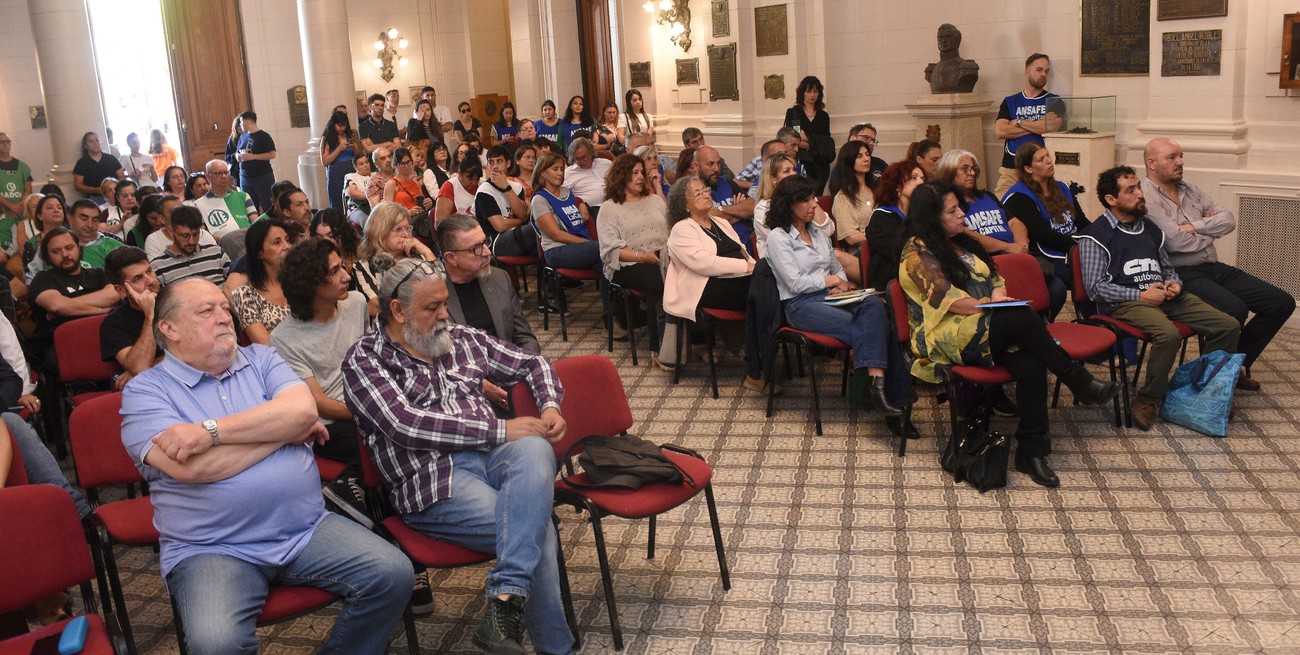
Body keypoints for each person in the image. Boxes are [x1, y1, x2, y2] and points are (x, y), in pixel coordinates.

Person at [119, 278, 412, 655]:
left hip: (305, 528)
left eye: (224, 307)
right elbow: (193, 469)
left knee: (393, 574)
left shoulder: (261, 359)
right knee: (216, 644)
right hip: (213, 547)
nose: (224, 317)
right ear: (169, 329)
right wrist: (284, 433)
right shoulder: (145, 392)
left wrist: (211, 432)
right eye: (206, 311)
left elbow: (304, 411)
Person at [341, 259, 574, 655]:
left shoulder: (461, 339)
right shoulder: (365, 359)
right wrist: (500, 430)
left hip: (494, 458)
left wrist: (549, 405)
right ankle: (555, 646)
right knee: (539, 530)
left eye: (445, 303)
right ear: (397, 310)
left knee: (535, 444)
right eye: (432, 308)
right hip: (435, 480)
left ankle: (504, 602)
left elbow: (533, 362)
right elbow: (405, 425)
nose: (444, 315)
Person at [900, 181, 1119, 487]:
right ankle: (1078, 380)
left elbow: (994, 277)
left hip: (985, 327)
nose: (963, 214)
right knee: (1021, 318)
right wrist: (994, 306)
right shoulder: (915, 255)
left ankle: (1032, 451)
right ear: (932, 218)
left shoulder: (962, 243)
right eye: (953, 211)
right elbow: (951, 301)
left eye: (960, 207)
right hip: (947, 335)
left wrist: (999, 297)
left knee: (1031, 362)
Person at [1078, 166, 1242, 431]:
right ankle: (1148, 398)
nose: (1139, 194)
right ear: (1111, 199)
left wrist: (1173, 283)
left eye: (1138, 187)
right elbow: (1095, 288)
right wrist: (1140, 295)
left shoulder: (1149, 228)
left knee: (1227, 325)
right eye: (1130, 190)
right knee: (1169, 334)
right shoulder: (1095, 236)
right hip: (1125, 302)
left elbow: (1166, 266)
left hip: (1164, 294)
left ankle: (1205, 392)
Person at [1141, 138, 1294, 388]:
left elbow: (1229, 219)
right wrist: (1209, 229)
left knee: (1280, 303)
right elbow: (1175, 243)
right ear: (1152, 163)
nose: (1180, 162)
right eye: (1172, 157)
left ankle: (1230, 366)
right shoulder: (1146, 197)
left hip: (1212, 265)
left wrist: (1194, 227)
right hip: (1181, 272)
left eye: (1181, 156)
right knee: (1234, 310)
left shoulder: (1190, 189)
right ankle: (1213, 382)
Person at [766, 175, 909, 429]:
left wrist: (841, 284)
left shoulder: (818, 233)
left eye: (814, 198)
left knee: (875, 305)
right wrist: (829, 280)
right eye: (807, 200)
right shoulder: (779, 238)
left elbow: (836, 266)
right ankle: (895, 402)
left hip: (832, 296)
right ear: (789, 205)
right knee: (877, 327)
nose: (814, 204)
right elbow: (794, 283)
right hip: (800, 305)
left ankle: (877, 387)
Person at [269, 237, 369, 524]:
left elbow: (369, 361)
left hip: (365, 404)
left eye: (342, 266)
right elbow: (320, 404)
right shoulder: (284, 338)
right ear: (313, 284)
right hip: (329, 426)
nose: (346, 276)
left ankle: (349, 491)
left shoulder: (356, 304)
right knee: (382, 442)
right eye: (335, 271)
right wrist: (373, 410)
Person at [659, 176, 755, 371]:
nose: (705, 195)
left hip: (735, 281)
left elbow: (744, 251)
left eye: (705, 190)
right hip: (705, 286)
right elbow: (704, 264)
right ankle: (757, 358)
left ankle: (758, 355)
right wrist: (747, 268)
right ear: (684, 204)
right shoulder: (682, 228)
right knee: (763, 293)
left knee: (765, 289)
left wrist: (754, 266)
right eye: (697, 193)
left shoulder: (722, 223)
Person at [1001, 142, 1089, 319]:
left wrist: (1096, 238)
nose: (1049, 161)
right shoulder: (1018, 197)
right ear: (1028, 168)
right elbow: (1043, 235)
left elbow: (1082, 222)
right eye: (1041, 159)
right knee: (1088, 276)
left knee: (1100, 267)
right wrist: (1079, 245)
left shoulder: (1062, 187)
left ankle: (1095, 321)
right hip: (1044, 255)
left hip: (1070, 247)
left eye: (1048, 156)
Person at [438, 214, 539, 352]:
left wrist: (529, 364)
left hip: (508, 365)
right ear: (451, 258)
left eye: (485, 242)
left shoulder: (499, 278)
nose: (487, 252)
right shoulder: (432, 295)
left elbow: (524, 337)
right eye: (476, 248)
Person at [597, 154, 669, 345]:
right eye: (634, 172)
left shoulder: (654, 200)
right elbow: (611, 250)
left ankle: (696, 341)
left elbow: (672, 226)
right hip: (628, 263)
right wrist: (643, 257)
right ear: (621, 175)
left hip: (663, 256)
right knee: (659, 281)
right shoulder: (610, 208)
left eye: (641, 173)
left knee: (692, 276)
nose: (640, 177)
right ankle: (660, 347)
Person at [533, 150, 606, 313]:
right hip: (556, 250)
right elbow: (556, 234)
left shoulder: (566, 192)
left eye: (561, 169)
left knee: (608, 266)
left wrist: (581, 204)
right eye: (555, 169)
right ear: (543, 172)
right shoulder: (540, 199)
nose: (560, 173)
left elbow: (577, 201)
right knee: (606, 249)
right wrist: (591, 244)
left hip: (580, 248)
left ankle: (615, 317)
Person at [993, 54, 1062, 199]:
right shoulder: (1010, 101)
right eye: (1039, 70)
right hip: (1011, 169)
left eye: (1047, 71)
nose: (1043, 74)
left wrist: (1018, 122)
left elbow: (1051, 127)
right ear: (1027, 72)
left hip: (1040, 171)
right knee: (1003, 209)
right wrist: (1037, 125)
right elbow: (1000, 131)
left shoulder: (1054, 100)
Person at [936, 149, 1029, 256]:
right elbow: (968, 235)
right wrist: (1008, 247)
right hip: (985, 260)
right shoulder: (951, 205)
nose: (972, 173)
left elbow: (1014, 222)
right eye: (965, 168)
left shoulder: (988, 196)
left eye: (973, 168)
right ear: (949, 172)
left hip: (1015, 253)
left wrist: (1022, 247)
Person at [353, 202, 438, 316]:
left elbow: (440, 288)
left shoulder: (416, 255)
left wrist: (426, 251)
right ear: (380, 232)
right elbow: (376, 306)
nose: (405, 234)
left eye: (407, 228)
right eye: (398, 229)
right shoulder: (364, 265)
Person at [754, 153, 837, 263]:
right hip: (782, 264)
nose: (793, 174)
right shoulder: (763, 208)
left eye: (794, 169)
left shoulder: (805, 199)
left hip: (813, 256)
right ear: (773, 179)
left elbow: (828, 230)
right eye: (787, 171)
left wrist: (807, 198)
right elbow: (787, 243)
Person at [864, 160, 925, 292]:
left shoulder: (919, 215)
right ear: (897, 186)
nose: (921, 182)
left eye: (922, 178)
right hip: (890, 285)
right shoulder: (881, 218)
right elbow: (905, 251)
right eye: (913, 178)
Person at [101, 247, 163, 376]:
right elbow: (140, 368)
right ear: (121, 290)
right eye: (138, 278)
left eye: (149, 271)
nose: (151, 281)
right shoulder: (113, 324)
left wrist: (154, 365)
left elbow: (203, 350)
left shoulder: (177, 301)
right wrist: (150, 315)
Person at [231, 218, 294, 344]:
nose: (287, 246)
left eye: (287, 240)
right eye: (277, 242)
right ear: (259, 253)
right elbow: (265, 344)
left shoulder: (302, 281)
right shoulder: (245, 295)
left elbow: (319, 326)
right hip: (276, 361)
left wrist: (274, 333)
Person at [695, 145, 755, 252]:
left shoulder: (727, 183)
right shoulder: (692, 192)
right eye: (710, 164)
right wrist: (740, 212)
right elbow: (705, 220)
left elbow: (751, 207)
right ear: (696, 166)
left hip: (748, 244)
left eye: (718, 163)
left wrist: (721, 210)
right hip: (724, 250)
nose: (716, 169)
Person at [150, 206, 230, 286]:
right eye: (185, 235)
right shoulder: (158, 267)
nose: (191, 241)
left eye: (196, 234)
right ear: (171, 231)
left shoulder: (216, 253)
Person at [474, 146, 531, 258]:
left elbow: (521, 213)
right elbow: (500, 226)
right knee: (537, 229)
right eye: (491, 162)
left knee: (543, 236)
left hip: (517, 234)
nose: (495, 166)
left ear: (508, 163)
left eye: (499, 161)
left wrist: (506, 187)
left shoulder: (517, 187)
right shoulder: (484, 191)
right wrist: (522, 220)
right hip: (496, 241)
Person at [783, 75, 835, 191]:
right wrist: (813, 142)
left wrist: (807, 139)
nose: (812, 95)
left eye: (815, 91)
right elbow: (793, 138)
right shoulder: (794, 113)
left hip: (820, 164)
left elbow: (825, 141)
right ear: (802, 93)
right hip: (800, 160)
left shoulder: (823, 116)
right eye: (809, 91)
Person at [828, 140, 878, 251]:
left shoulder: (877, 190)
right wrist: (882, 236)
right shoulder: (842, 197)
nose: (866, 159)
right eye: (859, 156)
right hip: (862, 253)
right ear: (849, 161)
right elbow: (851, 238)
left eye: (867, 154)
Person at [193, 159, 259, 239]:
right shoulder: (199, 205)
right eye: (218, 173)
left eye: (226, 172)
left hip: (248, 240)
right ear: (208, 176)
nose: (224, 176)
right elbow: (201, 233)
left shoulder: (243, 196)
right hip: (221, 245)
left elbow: (256, 223)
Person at [234, 112, 277, 214]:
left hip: (262, 176)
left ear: (247, 121)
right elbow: (237, 151)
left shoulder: (264, 136)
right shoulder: (242, 137)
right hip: (245, 177)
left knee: (268, 204)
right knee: (249, 206)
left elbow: (272, 154)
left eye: (241, 122)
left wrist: (253, 157)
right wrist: (237, 156)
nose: (240, 125)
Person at [321, 110, 361, 213]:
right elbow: (325, 161)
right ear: (333, 125)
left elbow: (358, 155)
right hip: (336, 170)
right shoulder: (327, 138)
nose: (342, 129)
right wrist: (339, 148)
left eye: (344, 126)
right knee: (338, 200)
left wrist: (354, 147)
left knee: (353, 199)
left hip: (351, 167)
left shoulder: (350, 135)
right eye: (339, 126)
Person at [65, 198, 124, 269]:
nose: (89, 225)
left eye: (95, 220)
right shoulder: (58, 245)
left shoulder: (114, 246)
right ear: (70, 219)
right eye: (84, 219)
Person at [561, 137, 612, 216]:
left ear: (591, 153)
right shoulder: (568, 173)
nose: (581, 161)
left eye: (584, 157)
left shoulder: (606, 163)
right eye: (577, 159)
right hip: (592, 211)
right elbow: (561, 196)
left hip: (615, 204)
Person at [924, 23, 980, 93]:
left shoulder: (967, 68)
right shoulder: (931, 70)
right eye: (940, 37)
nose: (943, 41)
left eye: (948, 37)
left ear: (957, 40)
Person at [73, 131, 125, 199]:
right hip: (94, 198)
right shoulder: (82, 163)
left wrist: (113, 188)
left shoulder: (111, 159)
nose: (95, 143)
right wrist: (95, 190)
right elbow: (78, 185)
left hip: (114, 195)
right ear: (85, 146)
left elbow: (122, 177)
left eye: (97, 140)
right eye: (91, 141)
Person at [383, 146, 433, 215]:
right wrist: (408, 213)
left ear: (412, 162)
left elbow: (422, 205)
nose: (406, 166)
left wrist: (427, 204)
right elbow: (387, 212)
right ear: (396, 165)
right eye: (402, 164)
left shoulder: (415, 183)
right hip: (403, 221)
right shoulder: (392, 184)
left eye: (408, 162)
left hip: (419, 219)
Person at [436, 156, 485, 224]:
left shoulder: (483, 185)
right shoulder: (449, 187)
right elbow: (440, 221)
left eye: (477, 179)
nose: (474, 183)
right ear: (460, 173)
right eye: (470, 179)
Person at [0, 133, 34, 230]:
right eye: (1, 142)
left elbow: (28, 190)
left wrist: (18, 207)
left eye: (7, 141)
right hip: (2, 214)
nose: (5, 144)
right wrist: (11, 207)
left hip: (21, 212)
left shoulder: (23, 167)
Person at [343, 153, 373, 226]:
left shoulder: (376, 175)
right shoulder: (351, 177)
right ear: (355, 167)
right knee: (369, 223)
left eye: (366, 162)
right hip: (357, 209)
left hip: (377, 207)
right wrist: (373, 196)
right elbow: (353, 193)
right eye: (361, 164)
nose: (365, 165)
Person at [364, 146, 396, 211]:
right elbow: (376, 210)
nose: (388, 160)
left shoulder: (401, 171)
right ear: (376, 164)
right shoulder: (373, 182)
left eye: (389, 156)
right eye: (383, 158)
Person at [223, 115, 244, 185]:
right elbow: (227, 158)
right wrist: (235, 155)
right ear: (236, 130)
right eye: (239, 129)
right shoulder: (232, 140)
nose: (242, 131)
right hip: (237, 171)